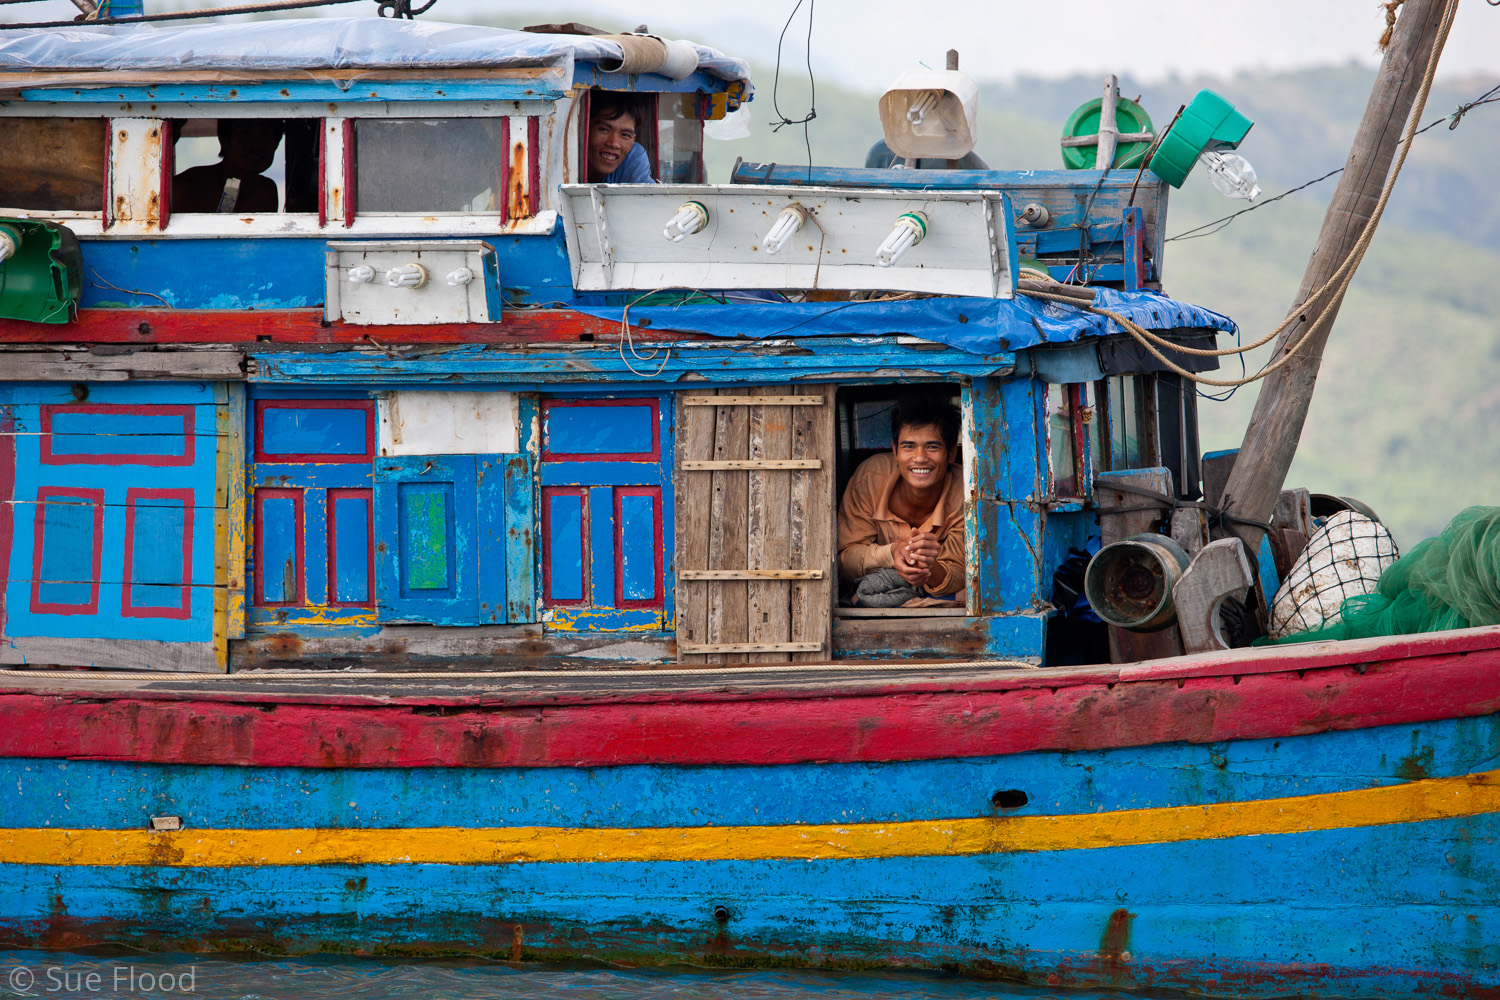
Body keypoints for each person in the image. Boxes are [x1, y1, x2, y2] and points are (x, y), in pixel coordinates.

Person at [837, 396, 965, 607]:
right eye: (908, 447)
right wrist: (892, 552)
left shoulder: (965, 492)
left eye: (932, 447)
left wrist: (928, 568)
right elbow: (845, 559)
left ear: (951, 453)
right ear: (895, 451)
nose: (920, 457)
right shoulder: (870, 478)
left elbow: (962, 571)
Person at [172, 119, 284, 214]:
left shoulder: (266, 190)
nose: (256, 144)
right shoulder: (187, 186)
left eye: (265, 135)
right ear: (225, 140)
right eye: (245, 134)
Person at [587, 92, 655, 183]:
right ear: (585, 129)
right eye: (604, 130)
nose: (613, 143)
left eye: (625, 135)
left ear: (633, 139)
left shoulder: (633, 155)